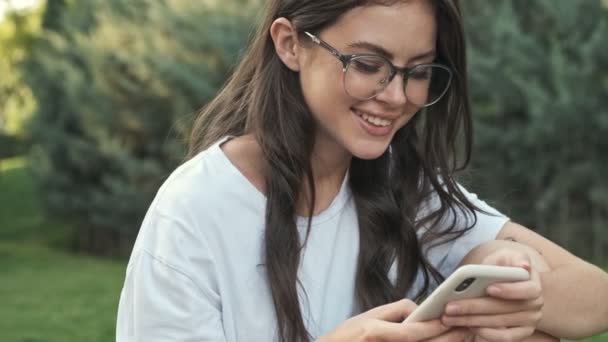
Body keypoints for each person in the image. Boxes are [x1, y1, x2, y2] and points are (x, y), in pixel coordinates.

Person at [116, 1, 608, 341]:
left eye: (418, 71)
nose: (396, 96)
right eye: (368, 63)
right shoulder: (195, 212)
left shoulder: (406, 189)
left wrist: (513, 289)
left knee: (516, 292)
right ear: (290, 44)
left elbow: (596, 295)